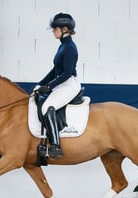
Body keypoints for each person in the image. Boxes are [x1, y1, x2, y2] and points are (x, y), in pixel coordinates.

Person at [36, 12, 81, 158]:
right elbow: (55, 70)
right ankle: (44, 141)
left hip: (69, 84)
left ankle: (55, 146)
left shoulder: (70, 48)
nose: (53, 31)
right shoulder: (62, 46)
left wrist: (49, 86)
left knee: (48, 108)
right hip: (62, 83)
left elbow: (67, 73)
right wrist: (40, 84)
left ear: (65, 29)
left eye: (55, 29)